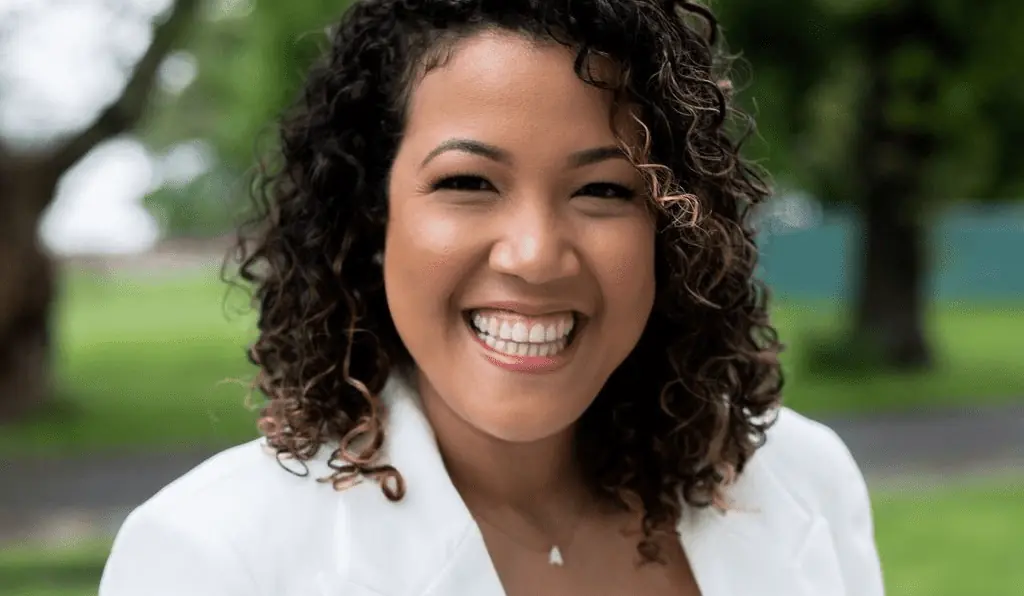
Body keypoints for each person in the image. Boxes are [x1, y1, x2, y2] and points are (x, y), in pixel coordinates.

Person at [99, 0, 885, 594]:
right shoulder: (214, 558)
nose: (535, 255)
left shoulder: (801, 474)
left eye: (604, 189)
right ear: (373, 214)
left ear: (670, 227)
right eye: (469, 183)